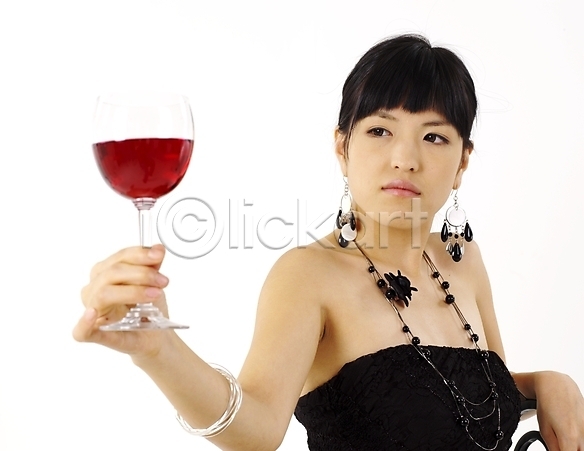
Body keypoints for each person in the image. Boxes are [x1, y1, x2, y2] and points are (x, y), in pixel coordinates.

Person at [73, 34, 584, 450]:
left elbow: (472, 402)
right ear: (343, 147)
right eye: (380, 131)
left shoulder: (463, 261)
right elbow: (255, 429)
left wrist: (544, 383)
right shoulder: (308, 276)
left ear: (462, 163)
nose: (405, 158)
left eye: (434, 137)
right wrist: (159, 351)